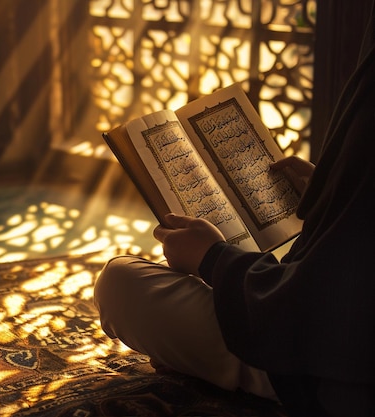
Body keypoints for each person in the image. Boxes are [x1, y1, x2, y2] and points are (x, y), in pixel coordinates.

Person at [93, 3, 375, 416]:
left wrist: (213, 258)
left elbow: (318, 304)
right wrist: (332, 190)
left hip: (327, 369)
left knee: (118, 283)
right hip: (332, 331)